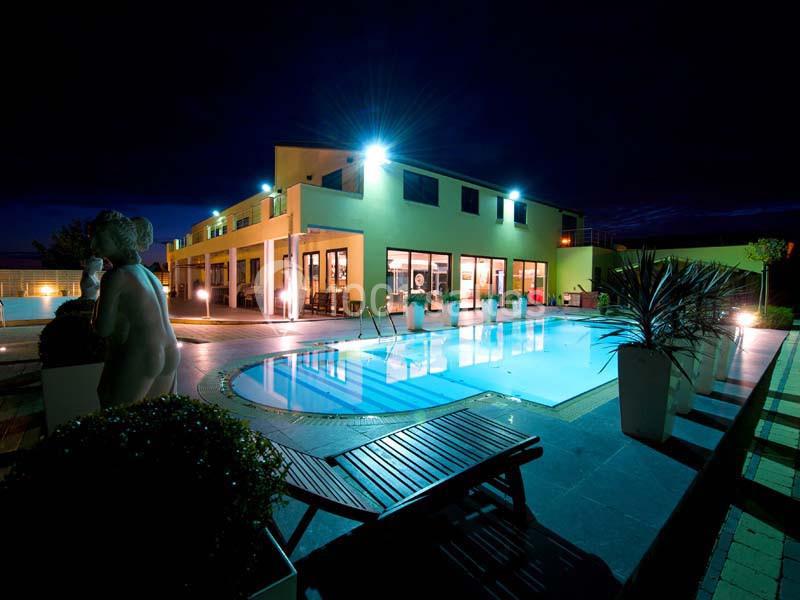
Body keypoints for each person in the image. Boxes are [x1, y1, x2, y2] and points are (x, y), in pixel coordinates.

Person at [91, 210, 180, 406]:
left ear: (118, 239)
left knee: (115, 411)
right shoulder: (150, 275)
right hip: (170, 349)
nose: (93, 245)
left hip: (141, 351)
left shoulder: (116, 276)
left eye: (99, 238)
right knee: (155, 417)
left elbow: (103, 329)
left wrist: (95, 309)